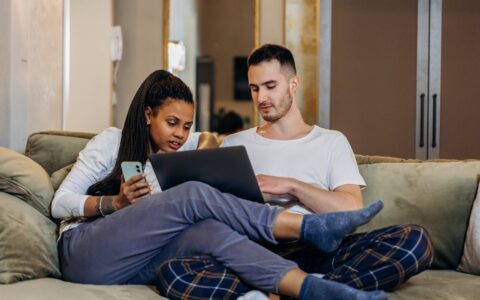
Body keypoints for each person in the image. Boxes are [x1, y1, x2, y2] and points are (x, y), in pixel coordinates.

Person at [51, 69, 388, 300]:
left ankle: (314, 290)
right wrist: (113, 204)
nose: (180, 135)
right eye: (172, 123)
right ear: (147, 114)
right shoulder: (111, 142)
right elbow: (59, 201)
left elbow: (209, 137)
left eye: (186, 126)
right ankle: (308, 227)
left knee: (211, 232)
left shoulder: (180, 145)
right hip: (84, 254)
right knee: (193, 195)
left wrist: (204, 144)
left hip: (134, 262)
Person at [158, 45, 434, 298]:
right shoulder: (233, 144)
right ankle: (310, 288)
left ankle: (289, 289)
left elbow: (350, 209)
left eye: (270, 86)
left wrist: (292, 186)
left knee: (415, 241)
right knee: (173, 272)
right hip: (252, 251)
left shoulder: (331, 141)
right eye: (255, 88)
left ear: (293, 84)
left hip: (317, 251)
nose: (261, 97)